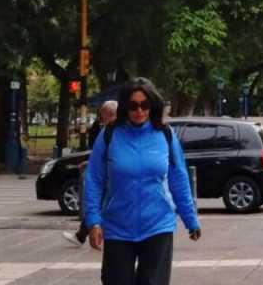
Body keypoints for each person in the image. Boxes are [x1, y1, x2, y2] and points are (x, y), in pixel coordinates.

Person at [83, 78, 201, 284]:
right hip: (118, 228)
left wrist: (190, 219)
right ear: (124, 107)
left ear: (152, 106)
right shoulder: (109, 135)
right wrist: (93, 221)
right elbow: (94, 179)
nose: (139, 111)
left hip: (158, 226)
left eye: (145, 105)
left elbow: (179, 178)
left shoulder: (165, 135)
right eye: (133, 106)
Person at [62, 101, 118, 247]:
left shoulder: (114, 132)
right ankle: (82, 234)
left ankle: (83, 235)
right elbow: (103, 156)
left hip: (111, 179)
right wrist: (91, 163)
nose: (102, 119)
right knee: (97, 205)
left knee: (98, 205)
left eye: (103, 115)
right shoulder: (107, 132)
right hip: (107, 176)